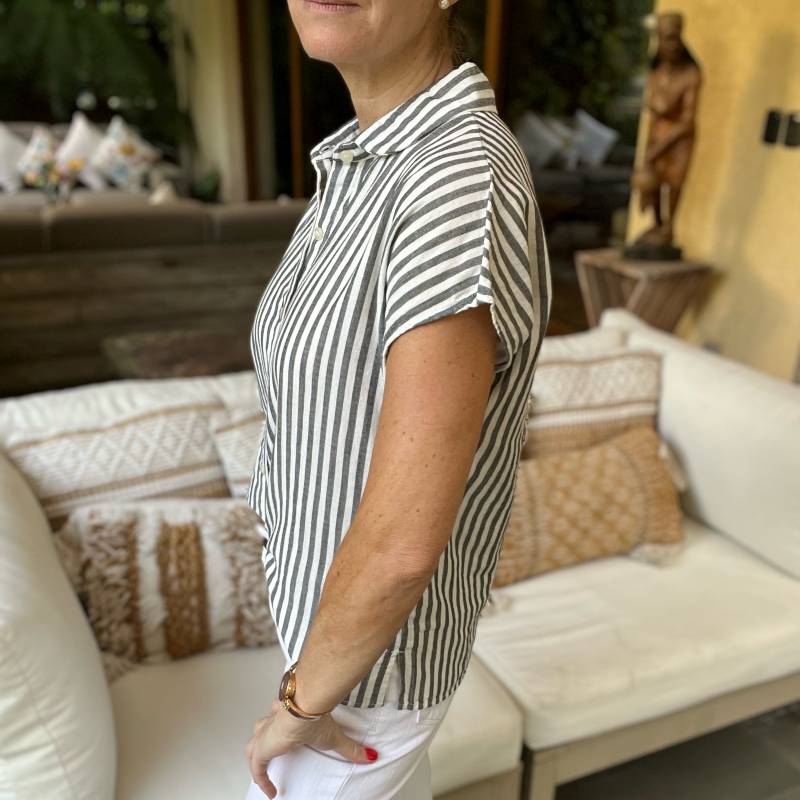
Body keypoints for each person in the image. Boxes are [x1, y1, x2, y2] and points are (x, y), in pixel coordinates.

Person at [244, 0, 552, 797]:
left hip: (359, 681)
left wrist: (302, 703)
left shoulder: (453, 177)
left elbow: (401, 547)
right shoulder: (366, 161)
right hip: (331, 649)